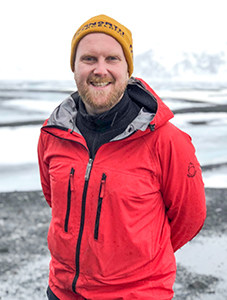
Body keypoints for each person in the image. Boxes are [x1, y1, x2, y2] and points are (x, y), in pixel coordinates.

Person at [38, 14, 206, 300]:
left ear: (128, 69)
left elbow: (190, 217)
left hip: (136, 294)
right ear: (74, 67)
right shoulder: (54, 134)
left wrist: (139, 262)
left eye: (112, 59)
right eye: (89, 59)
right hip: (62, 290)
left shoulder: (166, 140)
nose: (100, 69)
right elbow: (55, 201)